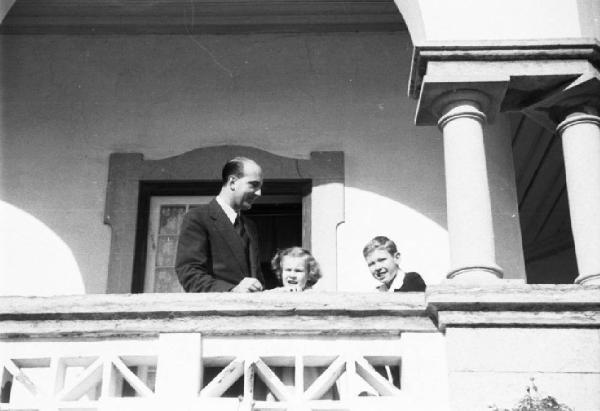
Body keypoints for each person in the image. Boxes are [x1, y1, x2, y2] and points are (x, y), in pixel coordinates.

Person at [175, 157, 264, 292]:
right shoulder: (198, 218)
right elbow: (189, 273)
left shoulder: (249, 226)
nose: (259, 193)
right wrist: (232, 291)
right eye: (254, 185)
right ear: (233, 182)